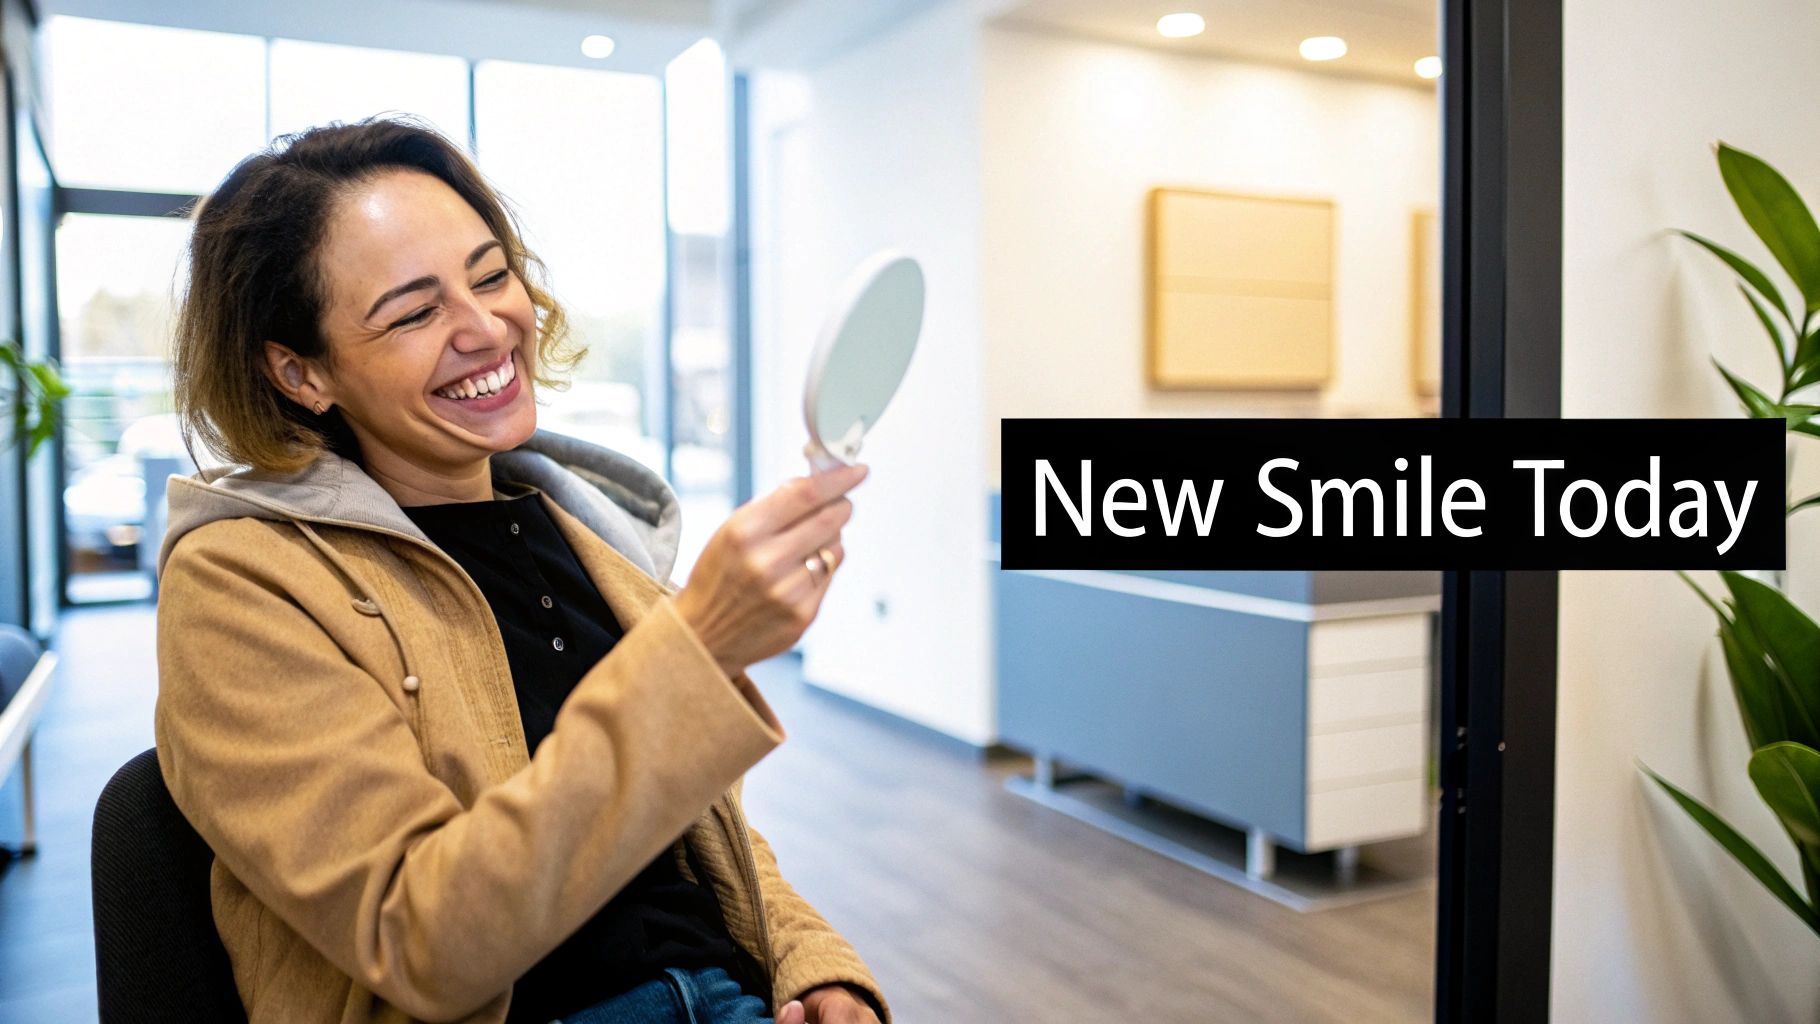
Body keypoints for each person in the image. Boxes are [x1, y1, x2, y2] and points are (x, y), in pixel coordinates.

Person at [153, 116, 889, 1024]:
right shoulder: (241, 582)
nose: (485, 327)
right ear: (301, 373)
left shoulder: (588, 537)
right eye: (414, 312)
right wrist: (700, 647)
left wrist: (813, 964)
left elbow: (701, 827)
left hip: (719, 991)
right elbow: (421, 940)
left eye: (491, 275)